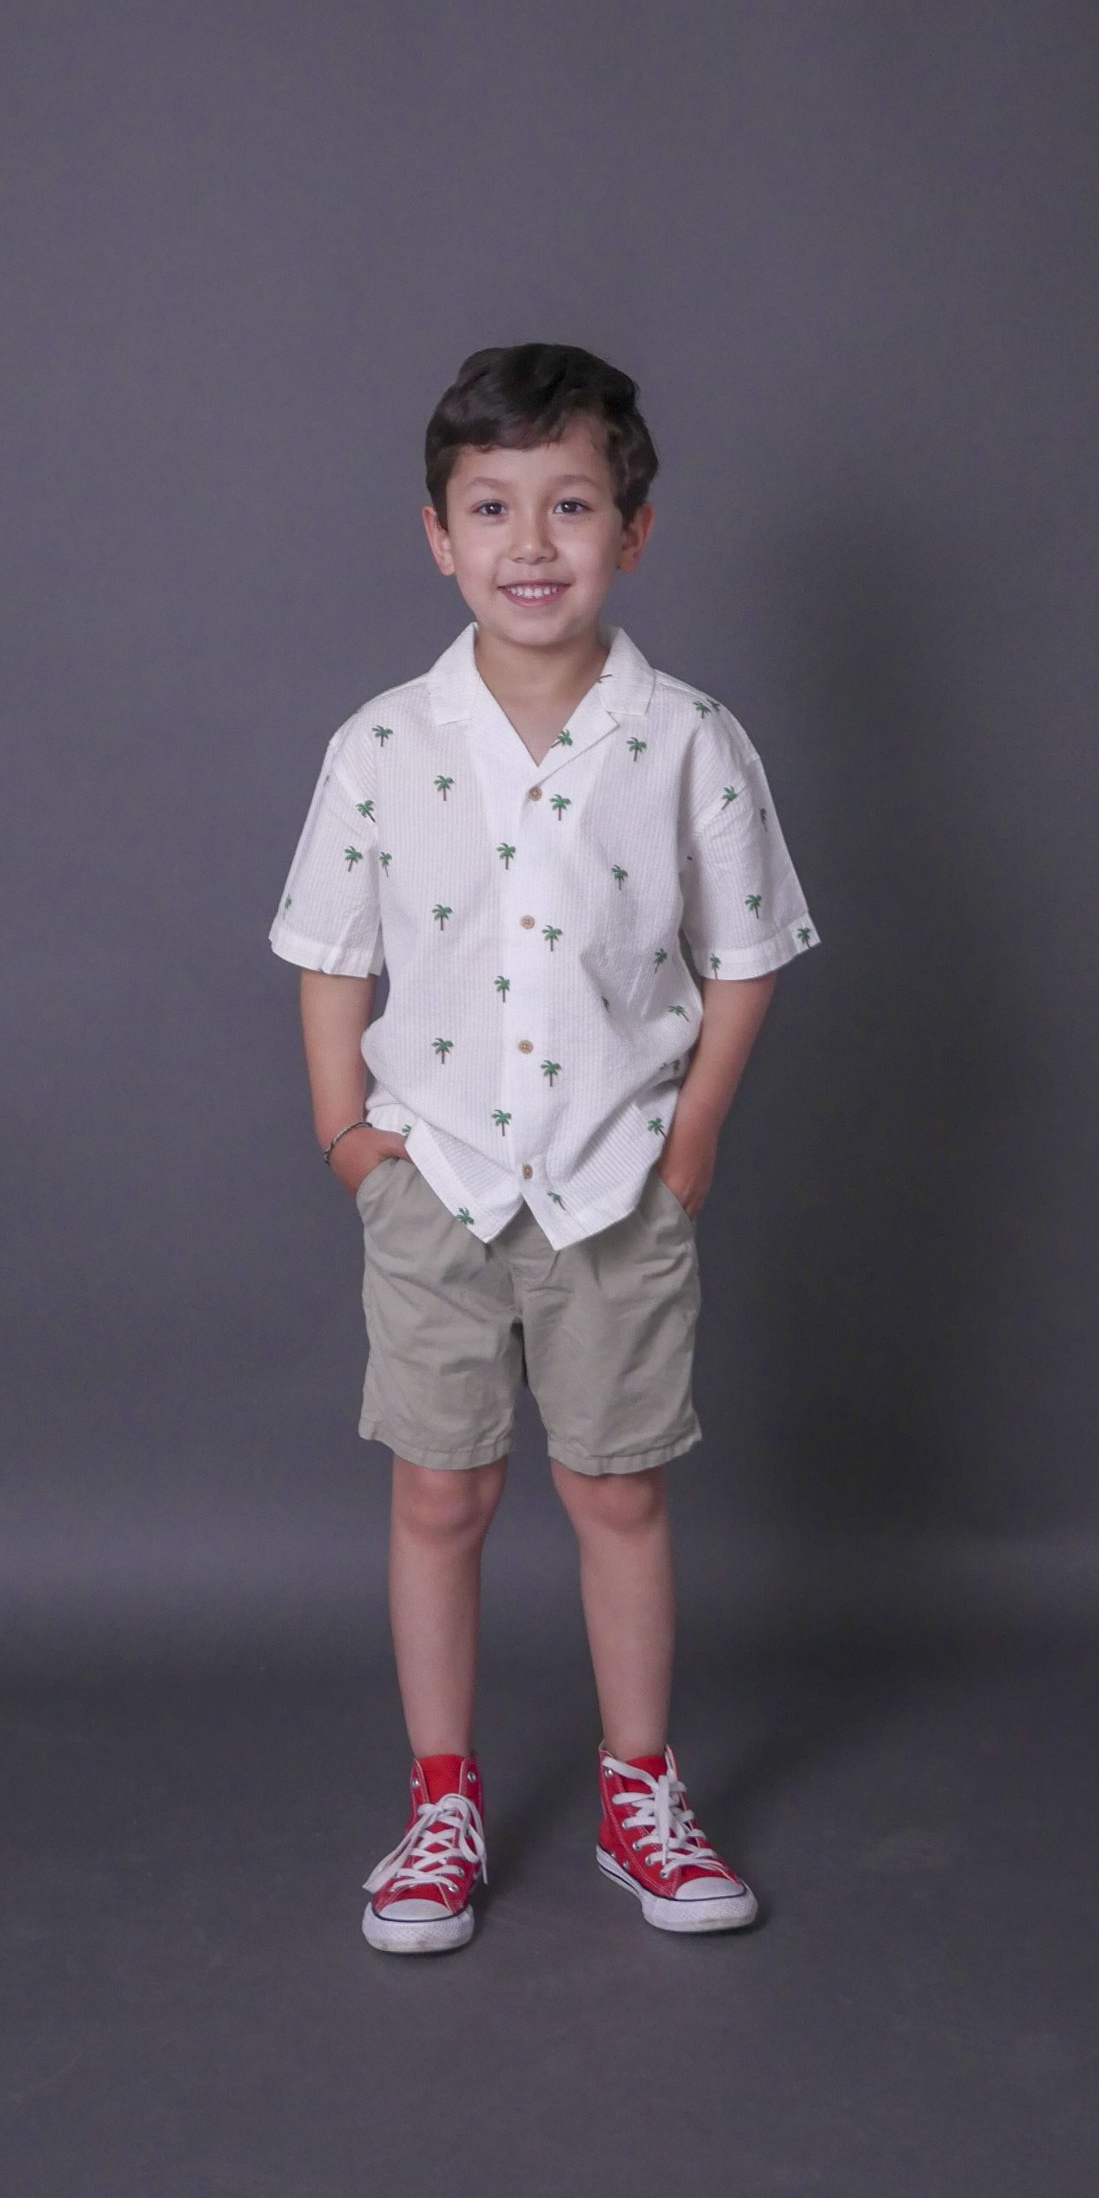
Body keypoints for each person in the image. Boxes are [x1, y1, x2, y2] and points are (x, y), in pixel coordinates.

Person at [268, 343, 820, 1952]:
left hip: (616, 1186)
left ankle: (640, 1795)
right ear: (437, 535)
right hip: (433, 1180)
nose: (530, 542)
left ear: (631, 532)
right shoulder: (383, 743)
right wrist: (346, 1137)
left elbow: (747, 955)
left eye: (570, 505)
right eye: (492, 506)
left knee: (617, 1495)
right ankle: (440, 1806)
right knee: (439, 1494)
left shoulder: (690, 738)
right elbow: (331, 954)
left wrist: (691, 1136)